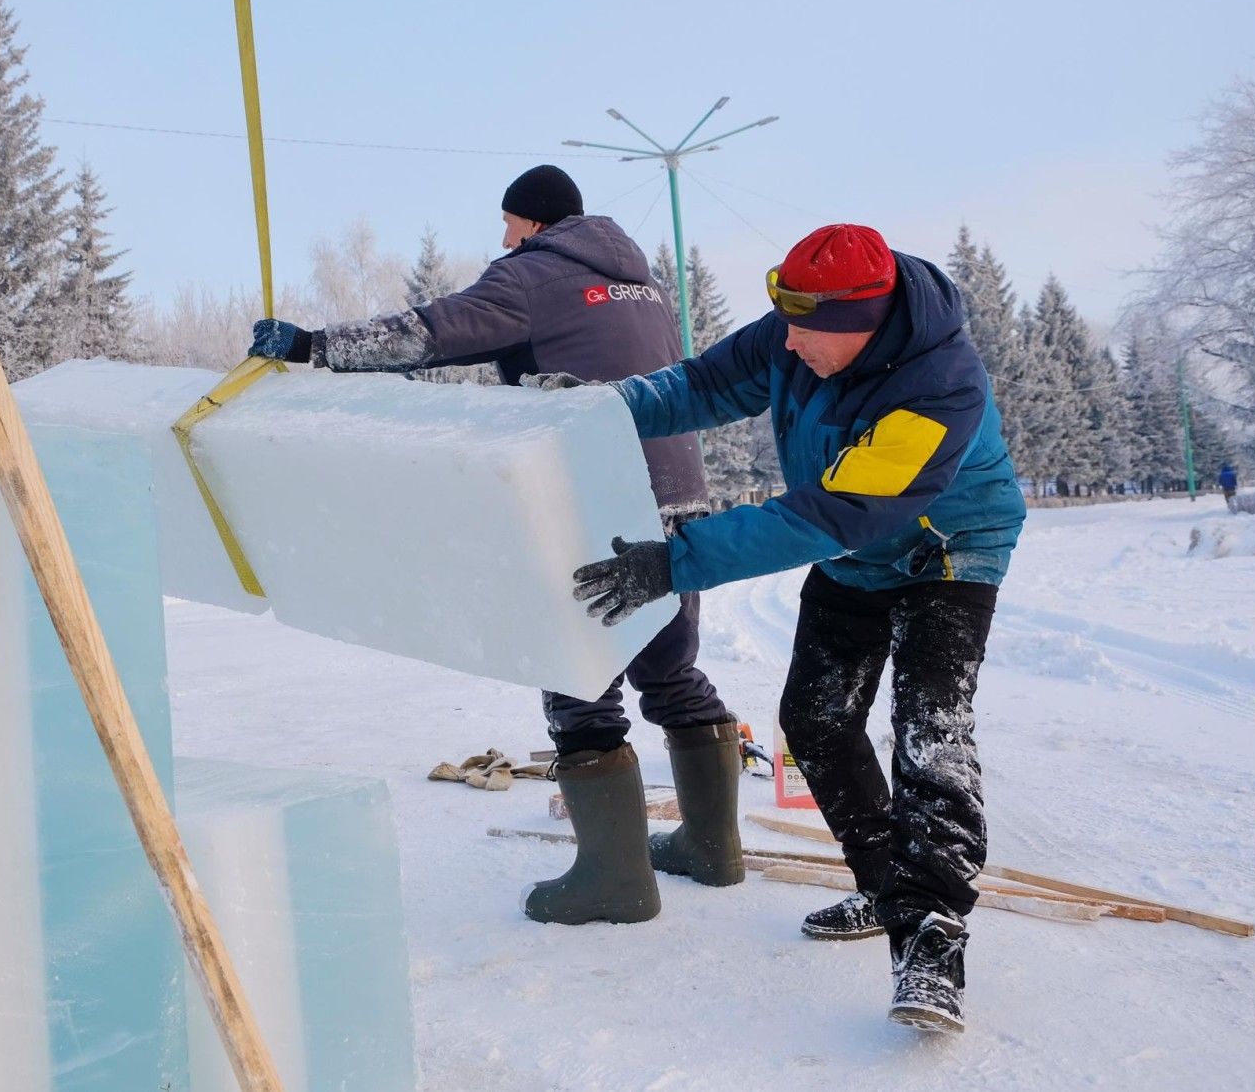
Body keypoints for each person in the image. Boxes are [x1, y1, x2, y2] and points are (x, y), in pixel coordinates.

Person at [556, 223, 1026, 1033]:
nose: (791, 342)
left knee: (929, 733)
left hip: (946, 553)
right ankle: (884, 886)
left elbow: (835, 511)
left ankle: (931, 938)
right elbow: (696, 387)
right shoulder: (800, 325)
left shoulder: (940, 386)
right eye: (788, 322)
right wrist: (598, 408)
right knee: (814, 719)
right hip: (856, 553)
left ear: (867, 325)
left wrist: (674, 562)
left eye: (810, 331)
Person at [247, 165, 744, 926]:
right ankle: (713, 851)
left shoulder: (536, 274)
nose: (502, 237)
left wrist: (312, 344)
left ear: (535, 223)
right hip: (672, 494)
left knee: (576, 674)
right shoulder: (638, 282)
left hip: (592, 501)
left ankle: (616, 881)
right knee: (670, 669)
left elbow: (434, 332)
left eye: (508, 222)